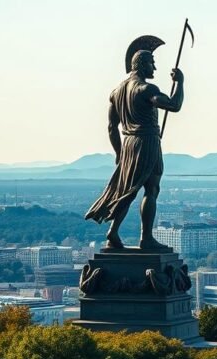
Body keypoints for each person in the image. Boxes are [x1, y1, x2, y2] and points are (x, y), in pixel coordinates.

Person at [85, 49, 184, 250]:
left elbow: (112, 127)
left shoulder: (116, 92)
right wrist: (180, 82)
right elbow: (174, 105)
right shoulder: (146, 89)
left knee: (128, 190)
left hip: (128, 143)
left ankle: (113, 232)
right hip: (146, 141)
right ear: (141, 64)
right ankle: (145, 238)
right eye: (151, 63)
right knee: (151, 188)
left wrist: (119, 152)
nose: (154, 67)